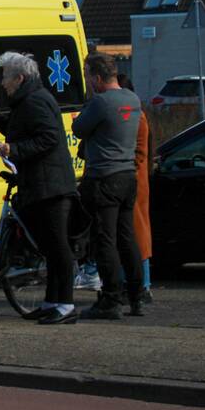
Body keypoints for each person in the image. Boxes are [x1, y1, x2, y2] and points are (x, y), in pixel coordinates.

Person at [0, 52, 78, 325]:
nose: (3, 84)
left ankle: (66, 305)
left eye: (5, 78)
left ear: (19, 78)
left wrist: (15, 149)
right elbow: (17, 125)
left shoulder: (34, 101)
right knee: (49, 248)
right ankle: (52, 302)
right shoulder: (28, 100)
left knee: (58, 248)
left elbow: (48, 138)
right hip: (41, 185)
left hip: (51, 187)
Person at [72, 53, 144, 320]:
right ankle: (136, 296)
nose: (88, 81)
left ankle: (110, 300)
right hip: (127, 175)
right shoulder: (132, 99)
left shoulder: (101, 102)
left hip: (103, 177)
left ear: (98, 77)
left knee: (105, 240)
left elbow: (79, 128)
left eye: (88, 75)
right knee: (127, 238)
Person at [116, 73, 153, 303]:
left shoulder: (134, 115)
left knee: (135, 234)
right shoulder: (136, 113)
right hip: (133, 177)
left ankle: (141, 284)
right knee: (133, 233)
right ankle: (137, 283)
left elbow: (139, 151)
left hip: (132, 179)